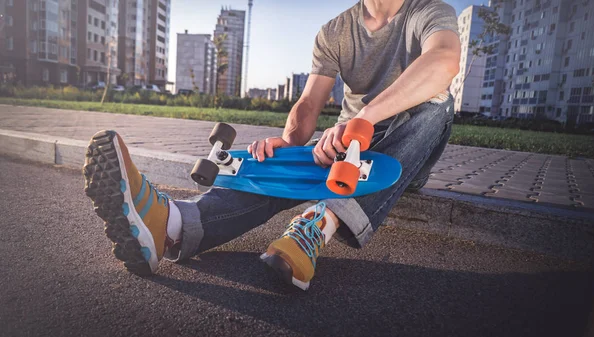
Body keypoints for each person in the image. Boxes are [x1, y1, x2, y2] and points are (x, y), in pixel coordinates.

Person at [83, 0, 460, 291]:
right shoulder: (336, 31)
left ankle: (317, 225)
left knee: (438, 104)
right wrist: (289, 142)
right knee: (275, 168)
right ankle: (173, 225)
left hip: (408, 148)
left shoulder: (428, 12)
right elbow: (310, 102)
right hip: (345, 147)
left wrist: (366, 118)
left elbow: (444, 60)